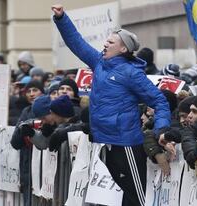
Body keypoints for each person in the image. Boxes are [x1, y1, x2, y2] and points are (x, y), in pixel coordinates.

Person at [52, 5, 171, 206]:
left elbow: (160, 101)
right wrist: (62, 18)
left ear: (123, 49)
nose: (105, 44)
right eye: (106, 40)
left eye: (110, 41)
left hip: (127, 144)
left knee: (138, 198)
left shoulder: (132, 73)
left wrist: (161, 130)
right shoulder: (98, 62)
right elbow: (77, 43)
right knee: (127, 196)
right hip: (106, 142)